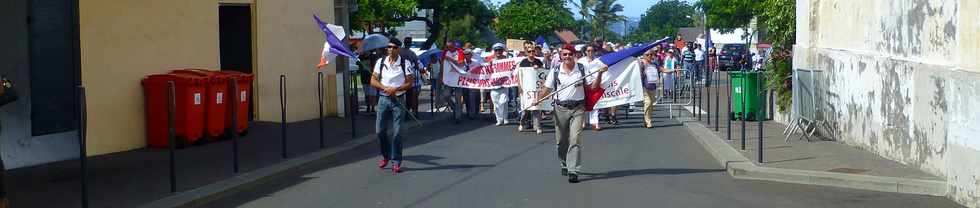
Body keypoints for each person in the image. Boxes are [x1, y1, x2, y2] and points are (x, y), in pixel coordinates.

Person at [535, 45, 606, 183]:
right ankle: (564, 163)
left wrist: (599, 74)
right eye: (564, 54)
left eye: (569, 54)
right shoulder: (555, 71)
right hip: (560, 108)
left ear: (574, 55)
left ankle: (573, 170)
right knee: (561, 141)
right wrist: (537, 100)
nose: (567, 57)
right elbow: (547, 89)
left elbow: (593, 87)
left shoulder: (581, 69)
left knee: (575, 139)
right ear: (561, 56)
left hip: (578, 108)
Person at [371, 39, 416, 174]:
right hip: (383, 99)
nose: (390, 49)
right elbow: (373, 80)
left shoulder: (404, 63)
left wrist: (395, 89)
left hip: (398, 100)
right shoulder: (380, 62)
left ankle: (396, 161)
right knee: (380, 131)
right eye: (388, 47)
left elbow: (410, 83)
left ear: (399, 49)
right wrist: (385, 88)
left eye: (393, 47)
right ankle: (386, 155)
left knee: (397, 133)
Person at [516, 40, 543, 134]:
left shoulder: (539, 62)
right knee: (526, 109)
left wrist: (538, 69)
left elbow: (543, 74)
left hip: (536, 89)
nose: (531, 53)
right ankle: (522, 123)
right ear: (526, 52)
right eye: (529, 51)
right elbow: (519, 75)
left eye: (533, 51)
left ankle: (537, 126)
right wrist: (520, 86)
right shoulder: (523, 62)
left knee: (536, 107)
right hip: (526, 89)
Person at [577, 45, 604, 130]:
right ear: (585, 52)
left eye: (592, 51)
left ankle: (594, 122)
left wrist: (604, 68)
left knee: (594, 102)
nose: (590, 52)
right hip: (583, 84)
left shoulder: (598, 61)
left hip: (594, 84)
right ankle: (583, 122)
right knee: (582, 103)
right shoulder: (580, 61)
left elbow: (605, 67)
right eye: (588, 51)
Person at [486, 43, 511, 126]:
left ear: (502, 51)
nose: (498, 52)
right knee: (496, 104)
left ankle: (505, 118)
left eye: (500, 50)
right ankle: (499, 119)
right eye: (496, 50)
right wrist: (488, 65)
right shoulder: (491, 61)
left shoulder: (507, 60)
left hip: (504, 85)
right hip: (494, 86)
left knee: (504, 102)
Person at [639, 49, 663, 128]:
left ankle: (647, 119)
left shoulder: (654, 64)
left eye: (651, 54)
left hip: (653, 86)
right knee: (648, 102)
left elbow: (661, 69)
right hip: (645, 86)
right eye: (647, 55)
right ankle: (648, 121)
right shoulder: (641, 64)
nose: (649, 56)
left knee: (651, 105)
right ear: (644, 56)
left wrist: (674, 70)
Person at [401, 37, 422, 116]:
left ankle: (406, 111)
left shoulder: (399, 51)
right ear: (410, 43)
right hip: (408, 77)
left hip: (400, 77)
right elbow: (417, 65)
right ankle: (410, 112)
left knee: (404, 95)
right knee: (412, 96)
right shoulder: (411, 53)